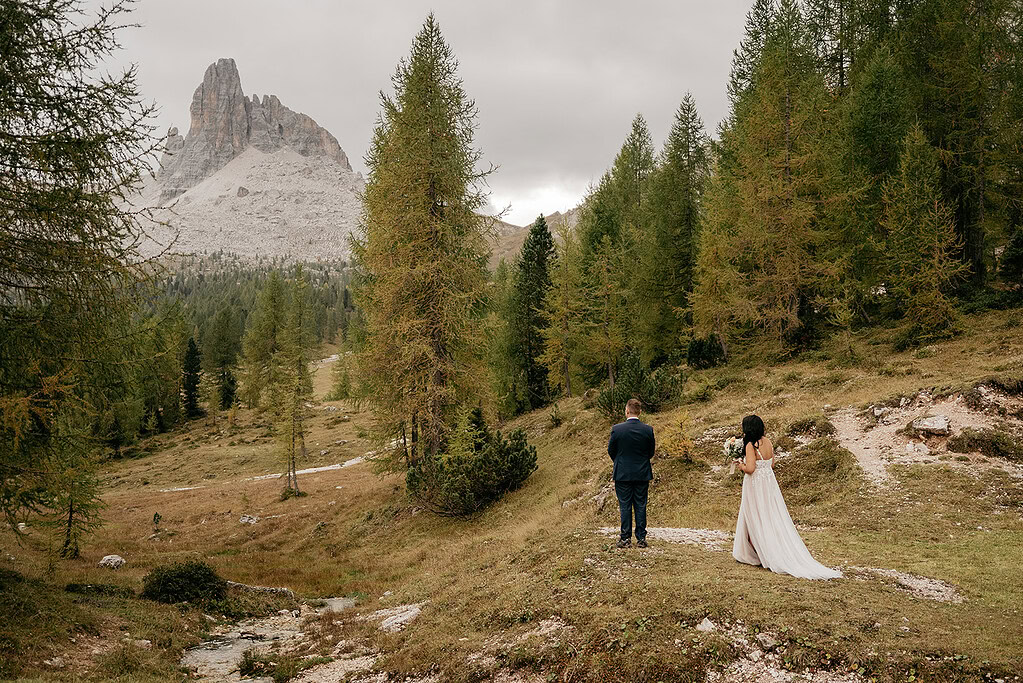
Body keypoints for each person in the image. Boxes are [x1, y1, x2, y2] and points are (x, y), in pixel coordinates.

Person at [732, 415, 841, 580]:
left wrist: (740, 465)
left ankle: (757, 553)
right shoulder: (767, 441)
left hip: (755, 485)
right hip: (769, 483)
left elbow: (751, 469)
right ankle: (762, 550)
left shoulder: (750, 444)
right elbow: (772, 463)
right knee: (770, 516)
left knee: (754, 515)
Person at [608, 398, 655, 549]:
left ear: (627, 411)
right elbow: (650, 452)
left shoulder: (617, 429)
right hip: (642, 473)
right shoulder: (648, 430)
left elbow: (611, 450)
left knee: (625, 505)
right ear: (640, 412)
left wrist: (620, 462)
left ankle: (625, 538)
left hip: (622, 473)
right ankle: (641, 539)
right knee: (641, 504)